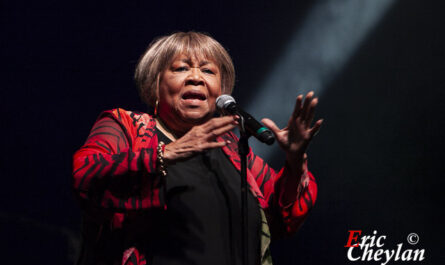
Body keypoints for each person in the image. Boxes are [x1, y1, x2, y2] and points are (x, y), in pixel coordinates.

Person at [72, 31, 323, 265]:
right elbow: (86, 176)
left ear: (220, 93)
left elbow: (284, 219)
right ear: (155, 84)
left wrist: (294, 158)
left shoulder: (233, 151)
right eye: (181, 68)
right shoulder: (127, 126)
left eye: (208, 71)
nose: (196, 77)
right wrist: (167, 154)